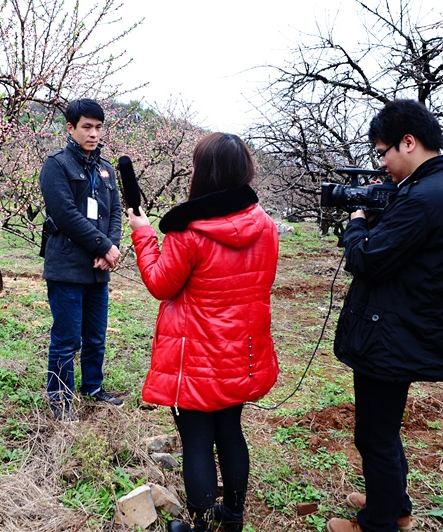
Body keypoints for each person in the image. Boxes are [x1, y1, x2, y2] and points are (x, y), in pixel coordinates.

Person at [327, 100, 443, 532]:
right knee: (383, 429)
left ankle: (380, 521)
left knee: (374, 433)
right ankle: (393, 502)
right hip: (402, 328)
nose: (383, 164)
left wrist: (356, 220)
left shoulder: (426, 197)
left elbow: (367, 258)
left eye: (383, 152)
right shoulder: (435, 190)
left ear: (408, 142)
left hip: (393, 335)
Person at [127, 133, 279, 532]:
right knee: (230, 431)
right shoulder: (264, 224)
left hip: (194, 356)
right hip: (241, 352)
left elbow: (161, 285)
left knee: (197, 441)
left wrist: (143, 233)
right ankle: (233, 516)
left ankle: (204, 526)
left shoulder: (188, 230)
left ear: (202, 173)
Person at [39, 98, 124, 422]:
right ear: (70, 128)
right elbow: (65, 214)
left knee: (96, 334)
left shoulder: (105, 169)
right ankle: (60, 399)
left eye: (98, 127)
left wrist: (110, 247)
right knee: (67, 338)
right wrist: (103, 246)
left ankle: (93, 386)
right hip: (68, 267)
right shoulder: (57, 165)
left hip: (98, 269)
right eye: (87, 127)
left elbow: (114, 211)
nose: (93, 134)